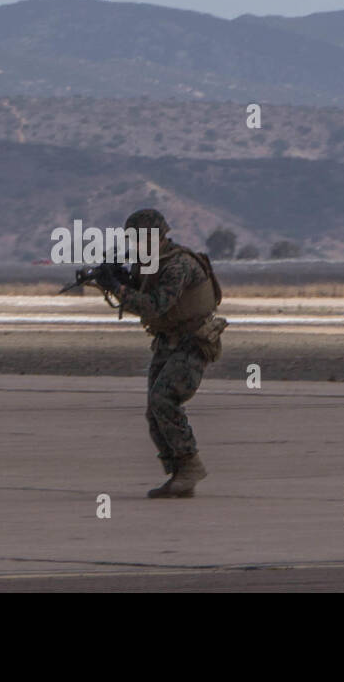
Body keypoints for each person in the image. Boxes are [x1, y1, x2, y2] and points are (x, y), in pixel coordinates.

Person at [96, 209, 227, 498]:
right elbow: (142, 296)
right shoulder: (151, 264)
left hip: (192, 342)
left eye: (140, 238)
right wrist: (114, 281)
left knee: (163, 400)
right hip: (168, 342)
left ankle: (190, 466)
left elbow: (155, 305)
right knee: (154, 410)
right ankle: (180, 473)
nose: (136, 245)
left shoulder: (178, 265)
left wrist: (118, 287)